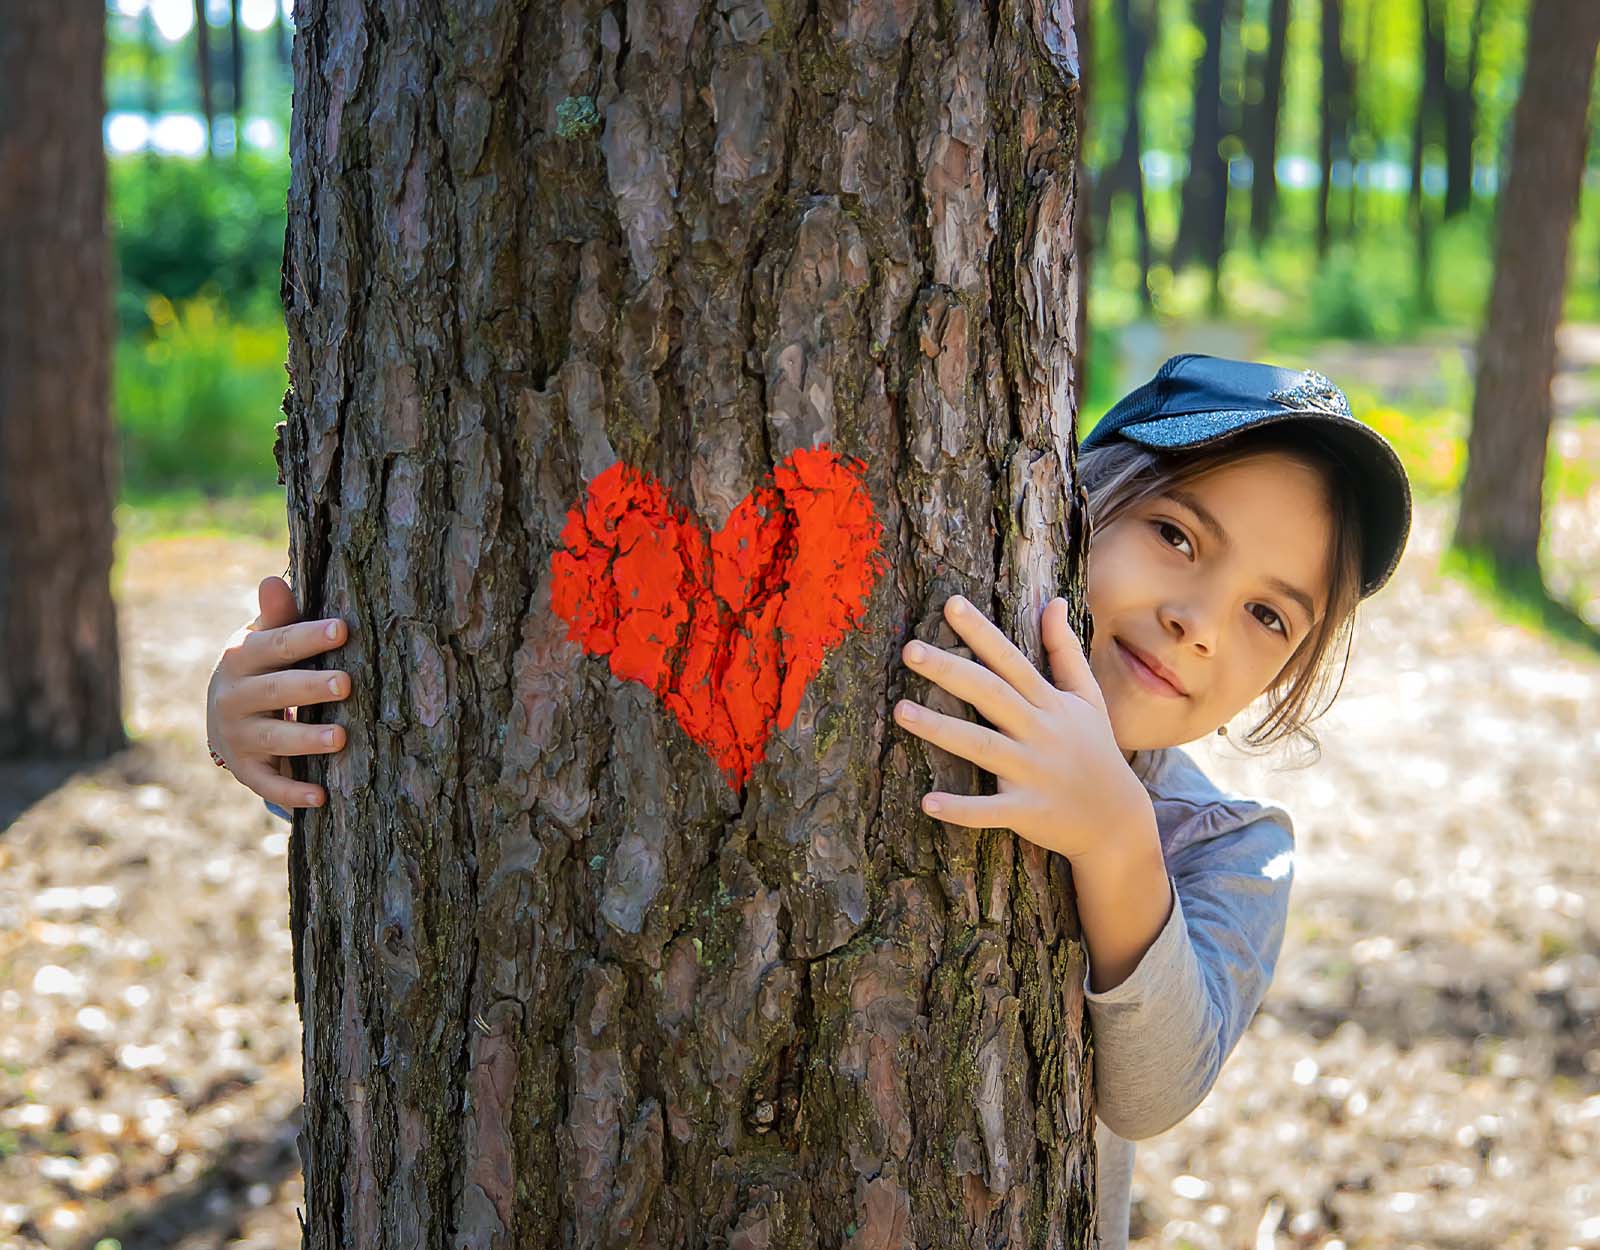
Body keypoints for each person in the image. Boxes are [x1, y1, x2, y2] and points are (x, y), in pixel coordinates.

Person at [203, 353, 1412, 1249]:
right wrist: (271, 724)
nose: (1199, 620)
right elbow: (473, 804)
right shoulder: (912, 645)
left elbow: (1151, 1091)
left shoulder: (1226, 845)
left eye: (1269, 614)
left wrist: (1112, 833)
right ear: (1071, 490)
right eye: (1175, 533)